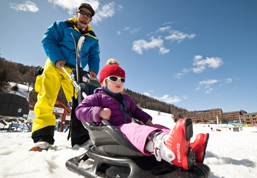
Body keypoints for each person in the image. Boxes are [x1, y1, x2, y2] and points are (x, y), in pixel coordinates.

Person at [75, 59, 208, 170]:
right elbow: (79, 111)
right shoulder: (98, 97)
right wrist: (99, 112)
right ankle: (169, 151)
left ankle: (187, 147)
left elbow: (136, 111)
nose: (119, 82)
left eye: (122, 80)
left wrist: (147, 119)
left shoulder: (126, 98)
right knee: (133, 128)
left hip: (127, 131)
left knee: (156, 127)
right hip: (111, 134)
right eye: (114, 78)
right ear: (103, 81)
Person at [30, 3, 100, 151]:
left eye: (89, 15)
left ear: (91, 19)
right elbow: (48, 39)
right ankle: (42, 138)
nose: (85, 16)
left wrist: (93, 69)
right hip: (55, 65)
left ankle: (81, 139)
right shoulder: (62, 25)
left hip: (75, 70)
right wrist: (57, 58)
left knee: (79, 102)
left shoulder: (92, 38)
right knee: (46, 97)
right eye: (83, 12)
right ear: (77, 13)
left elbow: (94, 55)